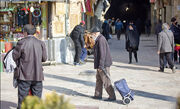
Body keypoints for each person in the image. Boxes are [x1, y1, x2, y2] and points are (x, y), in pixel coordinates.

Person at [12, 24, 47, 109]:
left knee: (22, 99)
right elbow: (44, 58)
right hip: (38, 75)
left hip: (24, 75)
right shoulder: (41, 43)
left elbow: (14, 56)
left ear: (25, 33)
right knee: (37, 99)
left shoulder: (21, 42)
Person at [91, 27, 116, 101]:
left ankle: (112, 96)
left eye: (92, 34)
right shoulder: (99, 39)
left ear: (95, 33)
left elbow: (103, 54)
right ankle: (97, 95)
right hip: (100, 64)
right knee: (99, 79)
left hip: (103, 64)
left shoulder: (101, 40)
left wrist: (101, 66)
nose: (92, 36)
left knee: (106, 80)